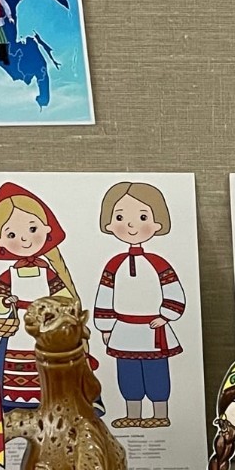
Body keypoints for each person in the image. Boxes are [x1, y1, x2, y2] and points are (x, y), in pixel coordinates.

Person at [93, 180, 186, 429]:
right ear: (109, 223)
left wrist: (166, 315)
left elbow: (173, 291)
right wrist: (105, 326)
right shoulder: (113, 265)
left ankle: (160, 413)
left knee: (156, 373)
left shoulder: (158, 263)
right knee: (128, 373)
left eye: (142, 217)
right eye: (120, 217)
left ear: (157, 223)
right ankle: (132, 413)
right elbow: (105, 295)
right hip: (123, 330)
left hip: (153, 329)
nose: (131, 225)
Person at [0, 183, 80, 411]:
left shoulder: (48, 271)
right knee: (13, 363)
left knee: (49, 365)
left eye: (32, 229)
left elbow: (65, 296)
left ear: (46, 229)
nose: (25, 240)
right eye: (12, 235)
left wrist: (54, 310)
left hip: (48, 327)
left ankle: (49, 400)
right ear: (0, 241)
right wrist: (3, 302)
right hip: (18, 328)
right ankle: (13, 402)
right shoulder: (10, 273)